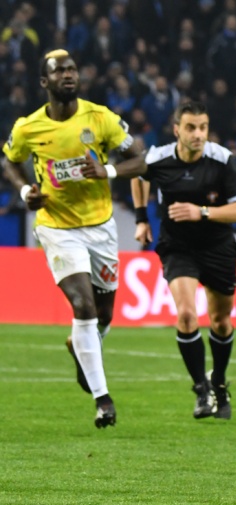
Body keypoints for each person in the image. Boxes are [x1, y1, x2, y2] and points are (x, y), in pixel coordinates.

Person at [1, 50, 146, 429]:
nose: (68, 75)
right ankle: (103, 400)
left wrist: (107, 170)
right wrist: (24, 191)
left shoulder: (100, 118)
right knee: (83, 306)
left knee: (104, 314)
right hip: (56, 227)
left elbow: (142, 159)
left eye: (71, 69)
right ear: (44, 82)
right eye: (58, 71)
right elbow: (9, 160)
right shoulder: (28, 127)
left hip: (101, 227)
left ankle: (81, 348)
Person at [132, 101, 236, 420]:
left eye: (203, 128)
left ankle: (219, 382)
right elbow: (138, 176)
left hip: (217, 247)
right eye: (190, 128)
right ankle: (201, 390)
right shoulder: (159, 158)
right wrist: (141, 218)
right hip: (178, 246)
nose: (198, 134)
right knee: (186, 315)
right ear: (177, 130)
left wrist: (202, 212)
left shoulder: (222, 160)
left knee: (220, 321)